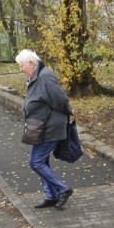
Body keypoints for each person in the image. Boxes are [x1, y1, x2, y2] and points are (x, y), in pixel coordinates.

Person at [16, 49, 74, 209]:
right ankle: (51, 196)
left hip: (50, 126)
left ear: (31, 63)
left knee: (36, 162)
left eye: (21, 66)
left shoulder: (45, 76)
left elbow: (60, 98)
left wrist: (68, 109)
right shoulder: (35, 76)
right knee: (43, 162)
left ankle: (63, 188)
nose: (20, 69)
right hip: (40, 126)